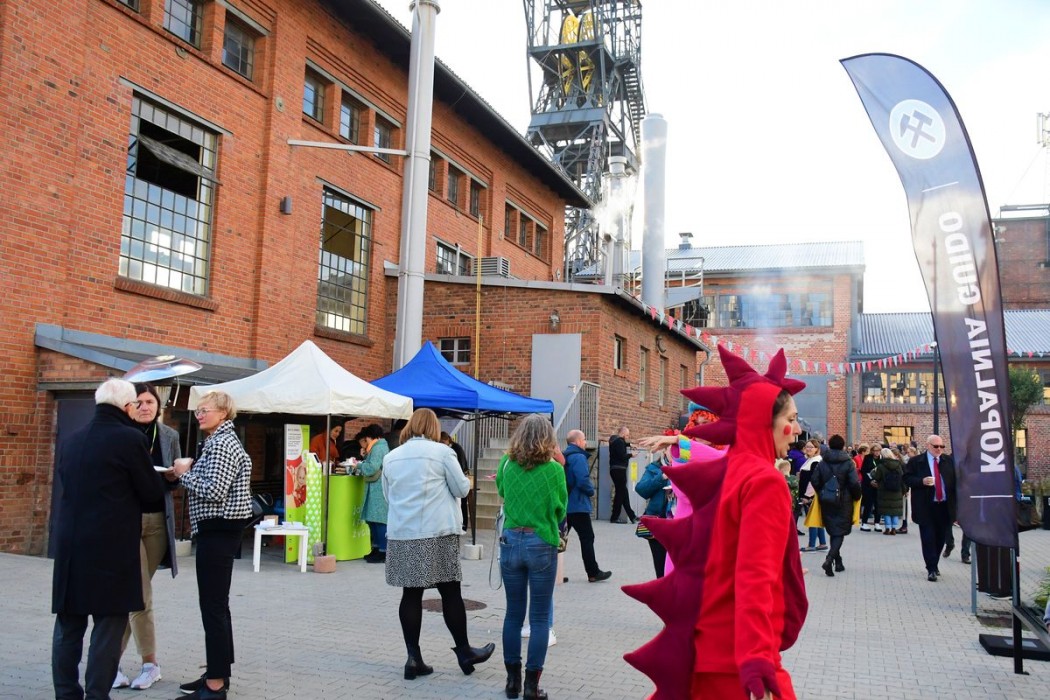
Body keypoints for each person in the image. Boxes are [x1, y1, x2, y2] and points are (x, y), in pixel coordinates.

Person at [624, 346, 808, 700]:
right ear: (764, 421)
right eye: (792, 418)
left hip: (708, 649)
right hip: (738, 661)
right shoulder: (765, 481)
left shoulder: (732, 469)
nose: (797, 430)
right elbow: (755, 573)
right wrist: (757, 656)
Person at [52, 378, 164, 700]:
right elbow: (151, 494)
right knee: (108, 628)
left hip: (71, 546)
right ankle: (97, 694)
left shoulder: (72, 439)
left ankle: (66, 694)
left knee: (68, 627)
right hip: (113, 548)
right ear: (128, 407)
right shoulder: (130, 439)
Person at [382, 408, 494, 681]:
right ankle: (464, 651)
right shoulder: (443, 453)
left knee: (411, 594)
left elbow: (388, 496)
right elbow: (461, 489)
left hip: (403, 533)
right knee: (450, 592)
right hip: (437, 532)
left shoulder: (391, 457)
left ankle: (413, 658)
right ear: (433, 427)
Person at [170, 390, 253, 699]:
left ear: (223, 413)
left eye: (205, 410)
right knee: (217, 605)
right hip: (219, 530)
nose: (199, 415)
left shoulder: (222, 444)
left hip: (218, 530)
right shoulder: (218, 441)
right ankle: (218, 673)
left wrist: (184, 474)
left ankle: (215, 685)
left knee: (213, 606)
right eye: (198, 411)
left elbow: (215, 490)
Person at [112, 383, 181, 691]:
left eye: (149, 402)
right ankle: (149, 664)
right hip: (126, 520)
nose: (144, 407)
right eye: (138, 402)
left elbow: (175, 483)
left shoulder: (169, 435)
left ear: (157, 405)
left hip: (156, 522)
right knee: (138, 594)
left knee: (135, 593)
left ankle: (111, 662)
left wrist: (173, 476)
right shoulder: (121, 434)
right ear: (129, 406)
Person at [497, 414, 568, 700]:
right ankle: (531, 685)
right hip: (541, 542)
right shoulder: (554, 470)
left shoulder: (506, 463)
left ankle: (512, 681)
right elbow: (560, 508)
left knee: (513, 614)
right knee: (539, 618)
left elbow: (501, 491)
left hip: (511, 540)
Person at [904, 434, 957, 582]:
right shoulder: (916, 461)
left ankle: (935, 562)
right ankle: (931, 568)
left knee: (940, 538)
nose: (939, 449)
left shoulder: (948, 461)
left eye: (942, 446)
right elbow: (906, 478)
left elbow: (956, 482)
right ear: (928, 446)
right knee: (928, 538)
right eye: (936, 446)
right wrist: (921, 481)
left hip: (944, 506)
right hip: (926, 506)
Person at [808, 435, 862, 577]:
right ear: (843, 446)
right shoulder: (848, 463)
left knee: (833, 530)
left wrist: (823, 491)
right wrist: (857, 496)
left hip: (827, 500)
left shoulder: (823, 462)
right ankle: (830, 559)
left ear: (830, 445)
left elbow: (814, 480)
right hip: (844, 501)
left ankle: (838, 562)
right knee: (839, 532)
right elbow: (854, 483)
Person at [563, 429, 611, 582]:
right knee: (587, 537)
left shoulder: (564, 456)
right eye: (583, 439)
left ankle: (553, 572)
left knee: (559, 538)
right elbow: (582, 480)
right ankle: (593, 572)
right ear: (577, 441)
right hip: (577, 504)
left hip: (565, 504)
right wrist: (591, 491)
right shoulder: (578, 457)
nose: (585, 442)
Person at [635, 451, 673, 578]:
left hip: (680, 522)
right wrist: (662, 477)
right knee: (661, 566)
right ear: (664, 450)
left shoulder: (687, 466)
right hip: (658, 521)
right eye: (672, 448)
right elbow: (641, 489)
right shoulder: (654, 468)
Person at [356, 424, 390, 563]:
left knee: (378, 520)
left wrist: (358, 465)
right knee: (373, 520)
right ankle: (376, 549)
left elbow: (371, 468)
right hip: (377, 488)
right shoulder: (380, 446)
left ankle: (382, 551)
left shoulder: (377, 448)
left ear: (370, 437)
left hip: (377, 489)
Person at [797, 439, 828, 553]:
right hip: (813, 494)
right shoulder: (811, 460)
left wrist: (807, 496)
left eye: (811, 447)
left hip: (812, 495)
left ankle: (811, 545)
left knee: (812, 519)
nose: (808, 449)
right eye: (807, 447)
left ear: (817, 449)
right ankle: (822, 543)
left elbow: (813, 481)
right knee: (817, 518)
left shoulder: (816, 461)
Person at [440, 431, 473, 533]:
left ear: (447, 440)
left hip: (461, 477)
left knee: (462, 503)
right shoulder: (451, 449)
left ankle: (463, 525)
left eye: (442, 442)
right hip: (459, 477)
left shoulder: (455, 449)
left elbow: (461, 465)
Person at [872, 447, 906, 535]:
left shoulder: (881, 466)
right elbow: (902, 478)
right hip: (897, 490)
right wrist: (904, 490)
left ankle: (887, 528)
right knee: (895, 511)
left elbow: (876, 477)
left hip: (884, 490)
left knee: (886, 510)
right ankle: (894, 528)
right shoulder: (898, 465)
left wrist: (873, 472)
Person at [608, 425, 637, 524]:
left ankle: (632, 516)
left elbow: (621, 446)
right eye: (627, 435)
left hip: (615, 470)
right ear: (623, 433)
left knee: (623, 492)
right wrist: (631, 455)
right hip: (619, 470)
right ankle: (614, 517)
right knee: (620, 494)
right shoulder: (619, 442)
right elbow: (622, 456)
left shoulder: (615, 441)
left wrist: (629, 444)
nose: (627, 437)